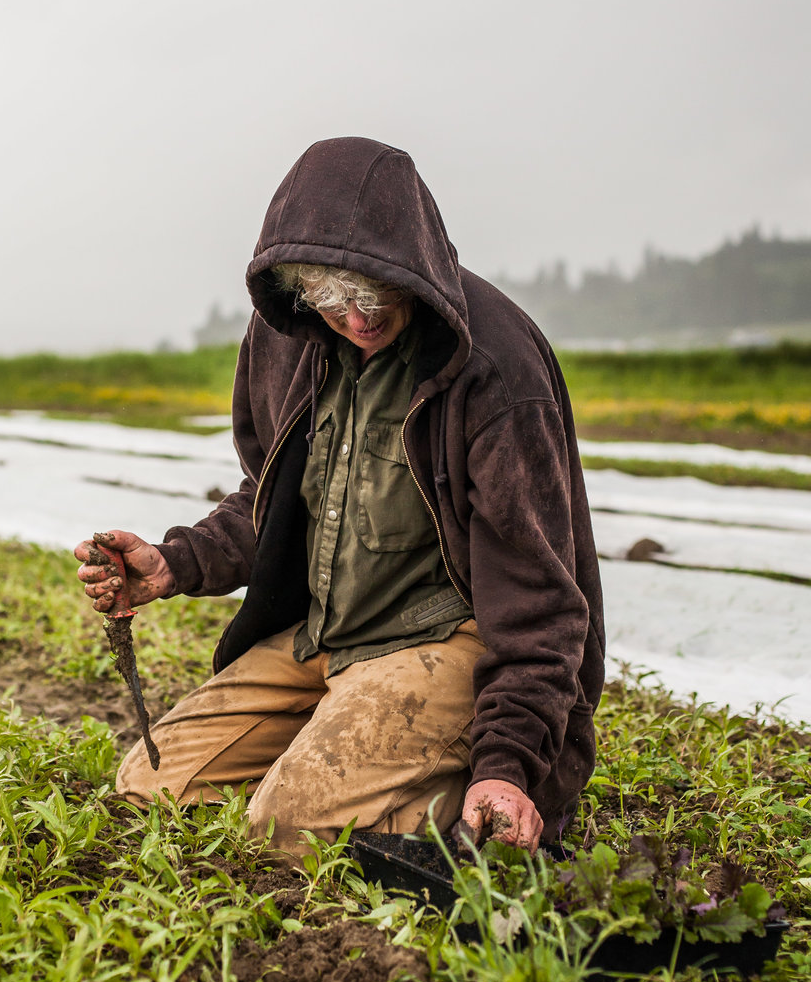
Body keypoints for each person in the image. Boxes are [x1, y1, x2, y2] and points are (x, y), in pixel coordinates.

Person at [75, 137, 605, 858]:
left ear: (411, 268)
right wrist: (175, 563)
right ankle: (346, 746)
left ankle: (458, 793)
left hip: (449, 639)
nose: (357, 319)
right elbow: (273, 502)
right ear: (294, 289)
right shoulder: (285, 339)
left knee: (286, 826)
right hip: (323, 635)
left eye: (372, 294)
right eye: (330, 300)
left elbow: (542, 599)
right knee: (153, 786)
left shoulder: (494, 370)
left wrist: (509, 768)